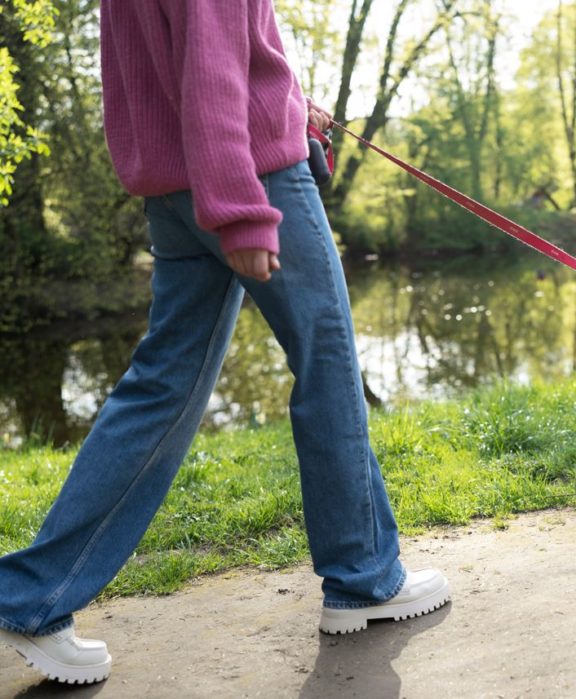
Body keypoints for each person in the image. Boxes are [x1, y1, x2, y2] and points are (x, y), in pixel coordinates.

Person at [0, 0, 448, 685]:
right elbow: (210, 70)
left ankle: (31, 593)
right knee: (326, 363)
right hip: (247, 178)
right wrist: (239, 209)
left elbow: (183, 60)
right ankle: (362, 576)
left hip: (176, 186)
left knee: (162, 386)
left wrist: (288, 103)